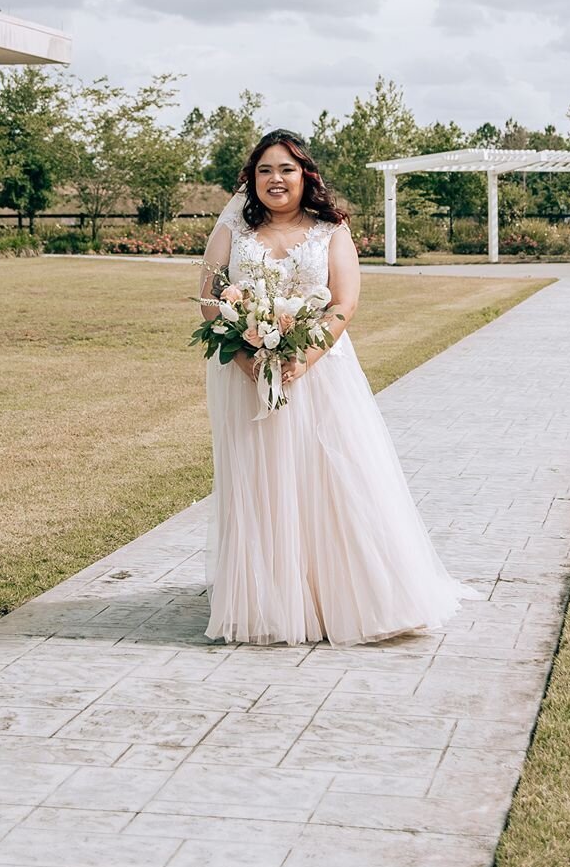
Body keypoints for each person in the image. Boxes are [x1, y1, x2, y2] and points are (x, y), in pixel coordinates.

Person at [198, 128, 481, 646]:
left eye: (286, 169)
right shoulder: (231, 228)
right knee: (260, 479)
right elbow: (210, 298)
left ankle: (343, 596)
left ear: (305, 174)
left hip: (319, 372)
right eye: (264, 170)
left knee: (330, 473)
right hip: (243, 373)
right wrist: (247, 357)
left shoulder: (331, 229)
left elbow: (342, 305)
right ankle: (272, 600)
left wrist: (300, 360)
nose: (275, 179)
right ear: (251, 179)